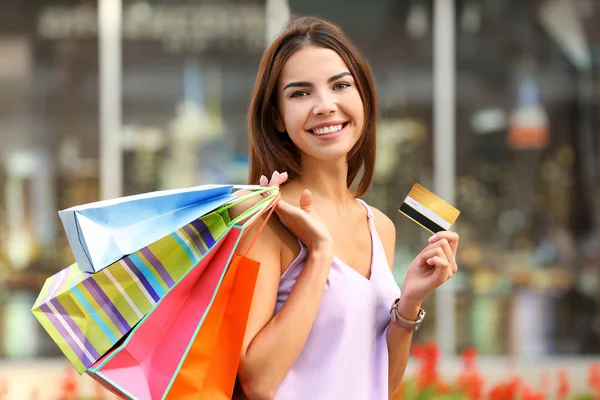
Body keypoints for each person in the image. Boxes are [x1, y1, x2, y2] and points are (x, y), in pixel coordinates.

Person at [230, 16, 459, 400]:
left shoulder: (380, 226)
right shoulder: (267, 218)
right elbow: (258, 382)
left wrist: (410, 303)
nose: (325, 105)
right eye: (301, 93)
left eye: (340, 85)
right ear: (277, 118)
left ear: (363, 97)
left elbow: (377, 382)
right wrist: (319, 255)